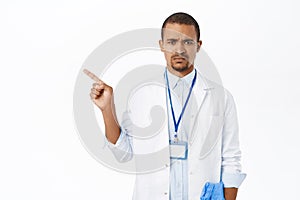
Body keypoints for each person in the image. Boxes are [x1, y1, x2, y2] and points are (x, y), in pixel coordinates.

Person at [84, 12, 246, 200]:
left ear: (198, 46)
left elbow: (231, 160)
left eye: (187, 42)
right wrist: (107, 110)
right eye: (171, 42)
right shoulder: (142, 94)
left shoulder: (220, 97)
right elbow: (123, 154)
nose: (179, 49)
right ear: (161, 45)